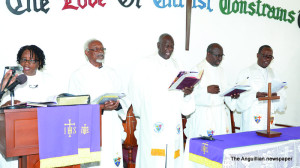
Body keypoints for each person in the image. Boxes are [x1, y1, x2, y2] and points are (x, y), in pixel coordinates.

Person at [128, 33, 195, 168]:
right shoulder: (145, 63)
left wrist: (187, 93)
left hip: (173, 117)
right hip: (153, 118)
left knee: (172, 155)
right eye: (166, 45)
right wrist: (144, 113)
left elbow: (182, 90)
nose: (168, 48)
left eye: (171, 46)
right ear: (158, 45)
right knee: (153, 159)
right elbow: (135, 90)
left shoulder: (178, 64)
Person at [68, 39, 130, 168]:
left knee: (112, 160)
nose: (100, 52)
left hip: (111, 123)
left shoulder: (113, 73)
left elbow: (124, 96)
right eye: (96, 49)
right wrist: (100, 107)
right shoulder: (78, 75)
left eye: (102, 49)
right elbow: (74, 104)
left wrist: (117, 105)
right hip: (92, 126)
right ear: (87, 52)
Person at [0, 45, 57, 167]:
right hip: (15, 135)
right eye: (23, 59)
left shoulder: (49, 80)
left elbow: (56, 103)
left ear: (39, 62)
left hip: (42, 134)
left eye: (31, 60)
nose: (26, 63)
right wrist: (6, 105)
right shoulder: (11, 79)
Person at [184, 43, 238, 139]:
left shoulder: (222, 71)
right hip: (203, 116)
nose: (220, 58)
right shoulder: (197, 69)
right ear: (208, 54)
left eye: (221, 56)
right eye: (217, 55)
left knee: (220, 144)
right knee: (203, 147)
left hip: (219, 114)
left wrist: (232, 94)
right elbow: (188, 94)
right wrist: (206, 90)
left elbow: (225, 91)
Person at [236, 45, 287, 132]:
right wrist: (255, 95)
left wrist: (276, 95)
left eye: (270, 57)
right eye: (264, 56)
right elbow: (239, 98)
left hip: (268, 116)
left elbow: (282, 96)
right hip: (252, 119)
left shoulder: (274, 74)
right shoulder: (246, 72)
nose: (267, 59)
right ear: (258, 55)